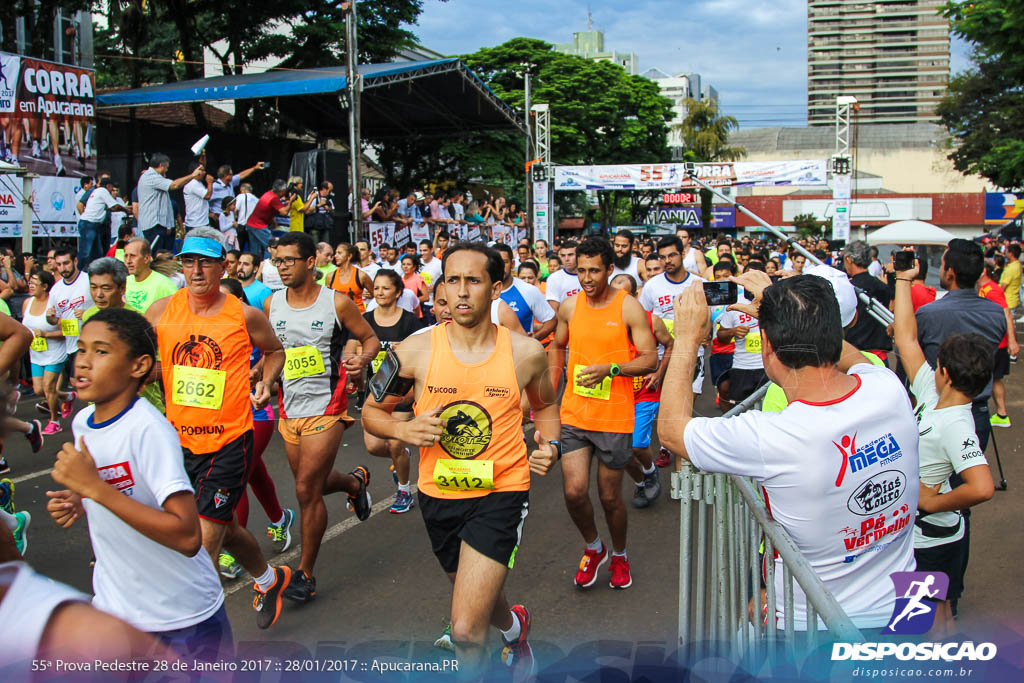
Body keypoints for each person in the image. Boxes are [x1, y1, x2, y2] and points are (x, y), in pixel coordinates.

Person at [659, 272, 920, 630]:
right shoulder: (888, 388)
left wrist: (687, 337)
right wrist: (787, 311)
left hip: (812, 628)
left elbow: (671, 430)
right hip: (901, 611)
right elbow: (853, 355)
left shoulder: (773, 436)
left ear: (767, 346)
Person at [362, 242, 560, 679]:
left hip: (502, 489)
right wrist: (402, 429)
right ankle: (513, 628)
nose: (463, 292)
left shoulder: (526, 352)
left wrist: (550, 445)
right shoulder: (413, 352)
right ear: (443, 289)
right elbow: (371, 412)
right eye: (453, 280)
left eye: (474, 280)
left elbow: (545, 406)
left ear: (497, 287)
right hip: (438, 494)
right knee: (475, 595)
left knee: (467, 629)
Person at [45, 308, 231, 661]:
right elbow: (119, 487)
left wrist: (96, 490)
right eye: (81, 349)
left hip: (180, 619)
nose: (83, 362)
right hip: (118, 612)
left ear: (139, 366)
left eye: (101, 351)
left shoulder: (148, 431)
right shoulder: (84, 421)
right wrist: (79, 497)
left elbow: (188, 537)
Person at [146, 227, 291, 630]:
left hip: (230, 439)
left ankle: (196, 644)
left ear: (222, 266)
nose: (196, 270)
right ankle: (269, 578)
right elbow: (138, 357)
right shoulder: (160, 312)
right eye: (189, 261)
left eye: (205, 262)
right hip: (178, 440)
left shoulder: (243, 314)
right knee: (225, 528)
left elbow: (275, 351)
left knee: (204, 545)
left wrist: (266, 380)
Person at [264, 232, 377, 601]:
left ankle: (305, 573)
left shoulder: (336, 303)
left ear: (310, 262)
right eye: (278, 261)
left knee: (304, 490)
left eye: (289, 260)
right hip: (288, 408)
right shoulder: (271, 304)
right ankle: (352, 484)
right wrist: (262, 376)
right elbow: (270, 352)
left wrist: (362, 358)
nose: (282, 267)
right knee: (309, 483)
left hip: (327, 407)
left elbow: (370, 338)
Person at [891, 258, 994, 636]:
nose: (930, 365)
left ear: (946, 373)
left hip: (930, 537)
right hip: (933, 535)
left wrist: (932, 502)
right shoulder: (934, 394)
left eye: (937, 364)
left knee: (921, 623)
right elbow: (906, 339)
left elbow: (982, 486)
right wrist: (903, 279)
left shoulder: (956, 422)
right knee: (942, 613)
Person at [549, 237, 657, 590]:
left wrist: (611, 369)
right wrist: (549, 392)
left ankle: (620, 554)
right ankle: (594, 547)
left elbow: (648, 358)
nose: (587, 277)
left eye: (594, 270)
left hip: (614, 416)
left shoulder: (628, 308)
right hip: (576, 414)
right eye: (581, 270)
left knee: (610, 498)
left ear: (610, 269)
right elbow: (557, 346)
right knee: (574, 493)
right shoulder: (569, 307)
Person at [217, 278, 295, 578]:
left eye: (227, 300)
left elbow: (275, 351)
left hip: (256, 413)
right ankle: (279, 519)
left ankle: (232, 548)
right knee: (253, 470)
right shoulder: (212, 328)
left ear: (240, 300)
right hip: (224, 415)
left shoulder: (253, 322)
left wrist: (260, 373)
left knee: (237, 474)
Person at [362, 269, 424, 513]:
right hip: (376, 392)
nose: (379, 292)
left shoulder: (409, 321)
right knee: (374, 446)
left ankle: (404, 491)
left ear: (398, 292)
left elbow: (422, 350)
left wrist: (406, 349)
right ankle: (402, 457)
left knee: (394, 443)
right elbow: (354, 344)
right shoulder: (366, 319)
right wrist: (358, 358)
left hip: (401, 392)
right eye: (376, 288)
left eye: (385, 288)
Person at [608, 274, 670, 509]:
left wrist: (658, 373)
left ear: (635, 296)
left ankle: (650, 471)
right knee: (617, 450)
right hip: (616, 394)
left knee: (635, 444)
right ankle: (643, 480)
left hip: (645, 392)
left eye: (623, 295)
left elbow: (670, 344)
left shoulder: (651, 320)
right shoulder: (604, 323)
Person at [977, 260, 1018, 427]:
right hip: (992, 342)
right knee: (993, 379)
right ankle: (1001, 414)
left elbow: (1006, 313)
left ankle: (1002, 414)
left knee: (994, 379)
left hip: (996, 344)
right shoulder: (984, 289)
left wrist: (1012, 340)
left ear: (984, 271)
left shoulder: (992, 290)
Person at [24, 272, 67, 435]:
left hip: (55, 352)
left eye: (35, 283)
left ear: (45, 287)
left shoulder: (55, 305)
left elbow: (68, 332)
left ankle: (54, 421)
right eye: (30, 282)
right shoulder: (27, 303)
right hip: (36, 352)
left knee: (49, 387)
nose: (31, 285)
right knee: (39, 390)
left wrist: (47, 334)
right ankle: (66, 397)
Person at [137, 153, 203, 252]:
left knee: (165, 256)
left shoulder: (155, 177)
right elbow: (175, 185)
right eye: (166, 168)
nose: (167, 170)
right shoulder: (151, 177)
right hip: (154, 225)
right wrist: (192, 176)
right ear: (160, 166)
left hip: (160, 225)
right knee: (157, 256)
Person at [493, 244, 555, 340]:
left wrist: (534, 340)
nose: (500, 267)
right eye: (495, 263)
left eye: (504, 262)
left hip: (519, 354)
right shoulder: (482, 291)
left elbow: (552, 320)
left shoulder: (528, 290)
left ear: (512, 264)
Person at [842, 241, 892, 359]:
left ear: (849, 259)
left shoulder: (847, 288)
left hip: (853, 353)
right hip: (879, 354)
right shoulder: (882, 286)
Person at [77, 176, 127, 270]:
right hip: (89, 224)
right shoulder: (103, 191)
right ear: (108, 186)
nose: (112, 190)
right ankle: (79, 273)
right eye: (112, 188)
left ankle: (96, 271)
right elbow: (114, 206)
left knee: (97, 253)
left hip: (92, 224)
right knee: (86, 252)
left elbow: (109, 208)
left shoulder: (97, 191)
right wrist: (126, 210)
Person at [124, 238, 177, 314]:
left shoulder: (164, 285)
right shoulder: (124, 282)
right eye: (126, 256)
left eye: (133, 256)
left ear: (146, 258)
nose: (128, 261)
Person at [245, 180, 293, 257]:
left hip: (251, 223)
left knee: (255, 250)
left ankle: (254, 266)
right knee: (271, 246)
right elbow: (284, 212)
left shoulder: (268, 193)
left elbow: (268, 209)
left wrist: (272, 220)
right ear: (281, 191)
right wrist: (291, 201)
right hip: (259, 226)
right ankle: (268, 265)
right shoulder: (274, 199)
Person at [326, 243, 372, 313]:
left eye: (339, 253)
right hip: (338, 317)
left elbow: (376, 295)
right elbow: (327, 299)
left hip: (358, 316)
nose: (335, 256)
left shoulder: (361, 276)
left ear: (349, 256)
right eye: (336, 253)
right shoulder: (330, 276)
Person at [544, 241, 581, 312]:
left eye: (570, 255)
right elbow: (554, 309)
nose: (566, 259)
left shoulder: (589, 275)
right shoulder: (554, 278)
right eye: (563, 255)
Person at [183, 162, 214, 229]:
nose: (204, 172)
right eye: (202, 170)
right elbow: (207, 196)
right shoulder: (193, 184)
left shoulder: (198, 182)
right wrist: (210, 183)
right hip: (196, 224)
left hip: (201, 222)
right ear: (196, 171)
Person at [999, 243, 1022, 320]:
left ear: (1011, 253)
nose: (1005, 253)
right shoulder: (1017, 264)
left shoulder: (1012, 268)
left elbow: (1003, 286)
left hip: (1008, 301)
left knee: (1008, 326)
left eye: (1007, 251)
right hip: (1012, 300)